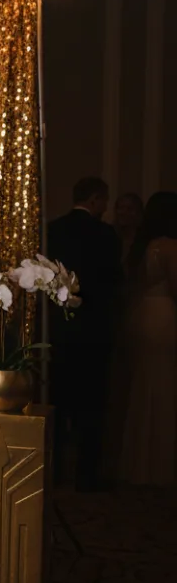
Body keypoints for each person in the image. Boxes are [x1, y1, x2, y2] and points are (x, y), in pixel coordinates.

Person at [46, 177, 123, 492]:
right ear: (95, 200)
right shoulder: (105, 235)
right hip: (93, 329)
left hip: (60, 328)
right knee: (91, 404)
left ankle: (54, 470)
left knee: (58, 399)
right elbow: (113, 283)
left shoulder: (52, 230)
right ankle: (86, 476)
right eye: (104, 201)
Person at [119, 191, 177, 485]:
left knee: (145, 387)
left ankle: (141, 463)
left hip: (143, 315)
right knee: (165, 389)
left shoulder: (144, 247)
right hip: (165, 316)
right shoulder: (169, 247)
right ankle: (161, 466)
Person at [113, 193, 145, 267]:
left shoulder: (144, 240)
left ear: (139, 212)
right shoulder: (110, 236)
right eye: (121, 208)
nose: (124, 212)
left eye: (130, 209)